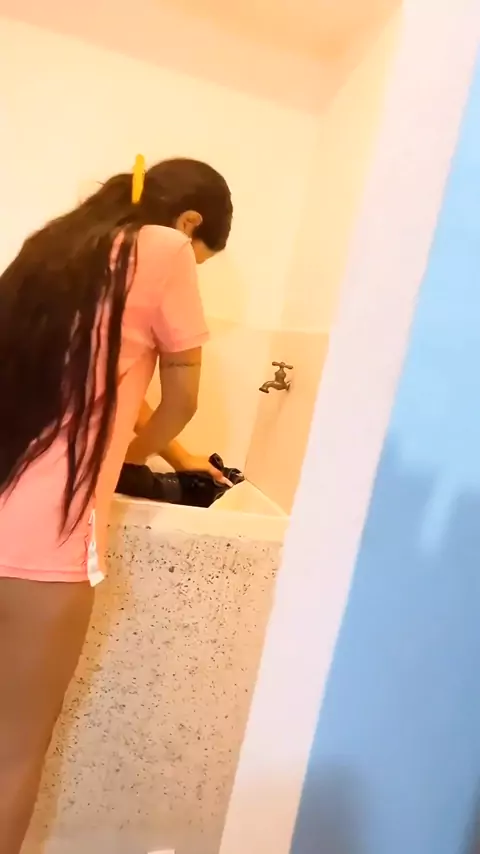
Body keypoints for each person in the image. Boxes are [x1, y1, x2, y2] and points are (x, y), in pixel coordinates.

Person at [0, 156, 232, 854]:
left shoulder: (57, 247)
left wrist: (180, 459)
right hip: (40, 543)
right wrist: (130, 460)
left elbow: (109, 380)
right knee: (12, 750)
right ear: (190, 221)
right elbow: (181, 400)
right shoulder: (165, 248)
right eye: (204, 256)